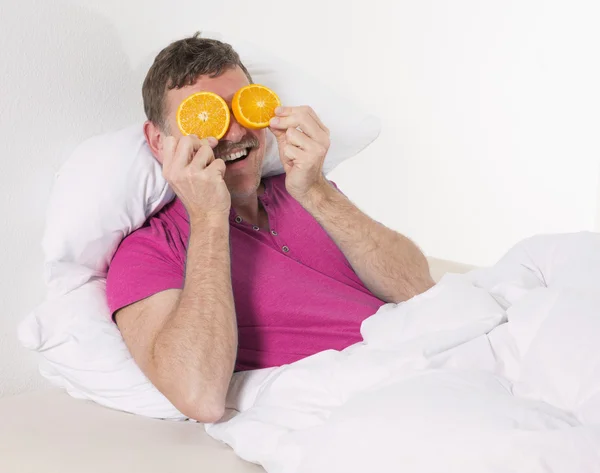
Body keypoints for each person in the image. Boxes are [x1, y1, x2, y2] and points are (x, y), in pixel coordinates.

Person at [106, 33, 434, 423]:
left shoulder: (307, 189)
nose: (234, 133)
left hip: (431, 362)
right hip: (369, 405)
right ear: (159, 142)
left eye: (242, 110)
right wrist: (209, 217)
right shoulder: (149, 251)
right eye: (207, 118)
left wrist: (315, 191)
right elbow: (199, 398)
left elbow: (420, 290)